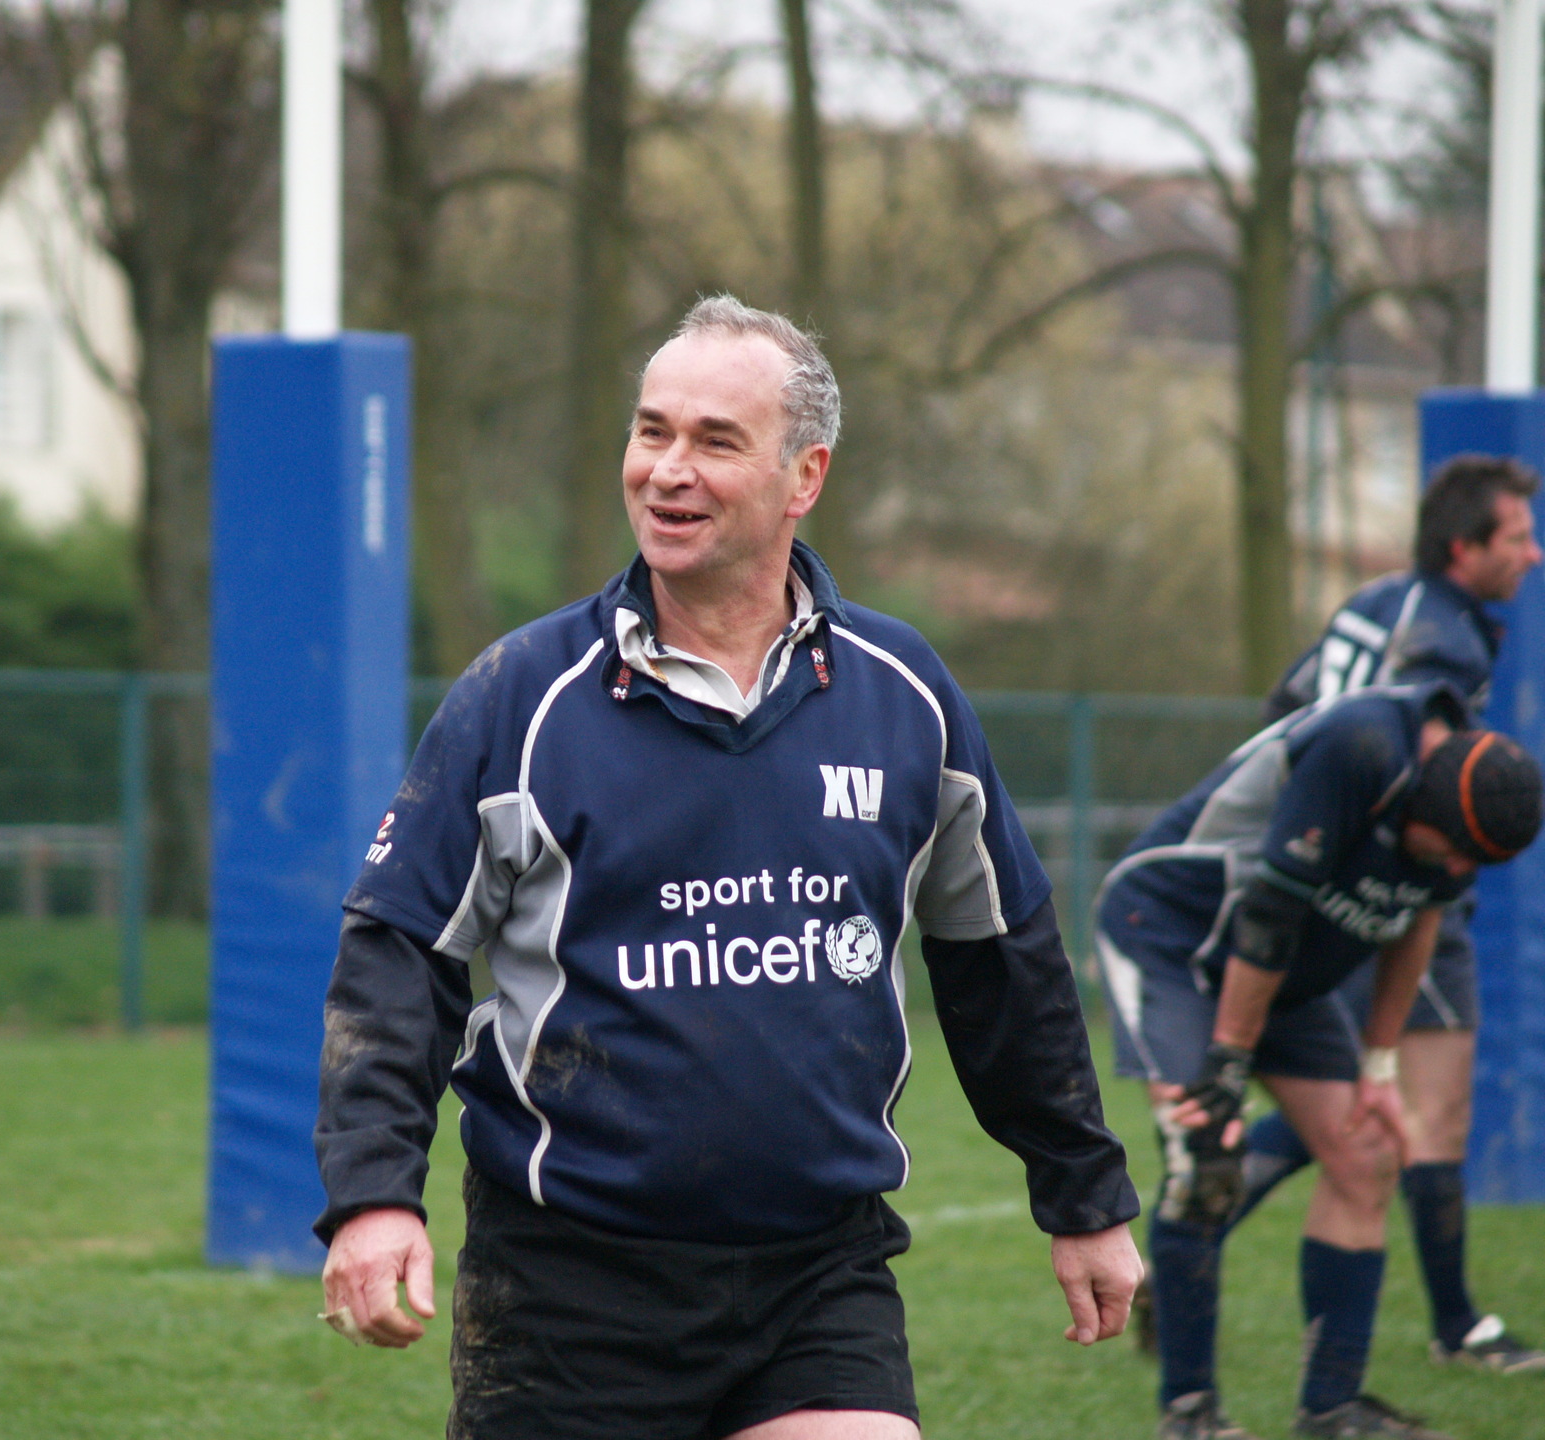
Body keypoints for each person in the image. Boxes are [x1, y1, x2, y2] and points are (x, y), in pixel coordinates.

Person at [313, 294, 1143, 1440]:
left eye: (714, 441)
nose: (667, 470)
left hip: (820, 1270)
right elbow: (399, 950)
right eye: (652, 431)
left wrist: (1085, 1195)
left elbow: (1001, 960)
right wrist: (372, 1195)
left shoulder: (904, 696)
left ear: (805, 477)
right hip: (570, 1288)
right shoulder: (522, 697)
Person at [1095, 681, 1542, 1440]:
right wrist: (1229, 1064)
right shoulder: (1363, 744)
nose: (1454, 868)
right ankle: (1191, 1414)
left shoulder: (1458, 804)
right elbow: (1267, 912)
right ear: (1421, 806)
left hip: (1283, 965)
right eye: (1452, 852)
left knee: (1365, 1153)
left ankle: (1331, 1410)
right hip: (1170, 937)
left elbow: (1417, 921)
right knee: (1208, 1158)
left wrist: (1379, 1067)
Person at [1218, 456, 1545, 1374]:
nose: (1534, 552)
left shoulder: (1377, 601)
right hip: (1395, 878)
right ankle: (1458, 1328)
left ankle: (1203, 1209)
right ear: (1463, 545)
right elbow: (1409, 772)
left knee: (1358, 1112)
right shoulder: (1442, 642)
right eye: (1516, 535)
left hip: (1325, 875)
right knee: (1422, 1113)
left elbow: (1288, 708)